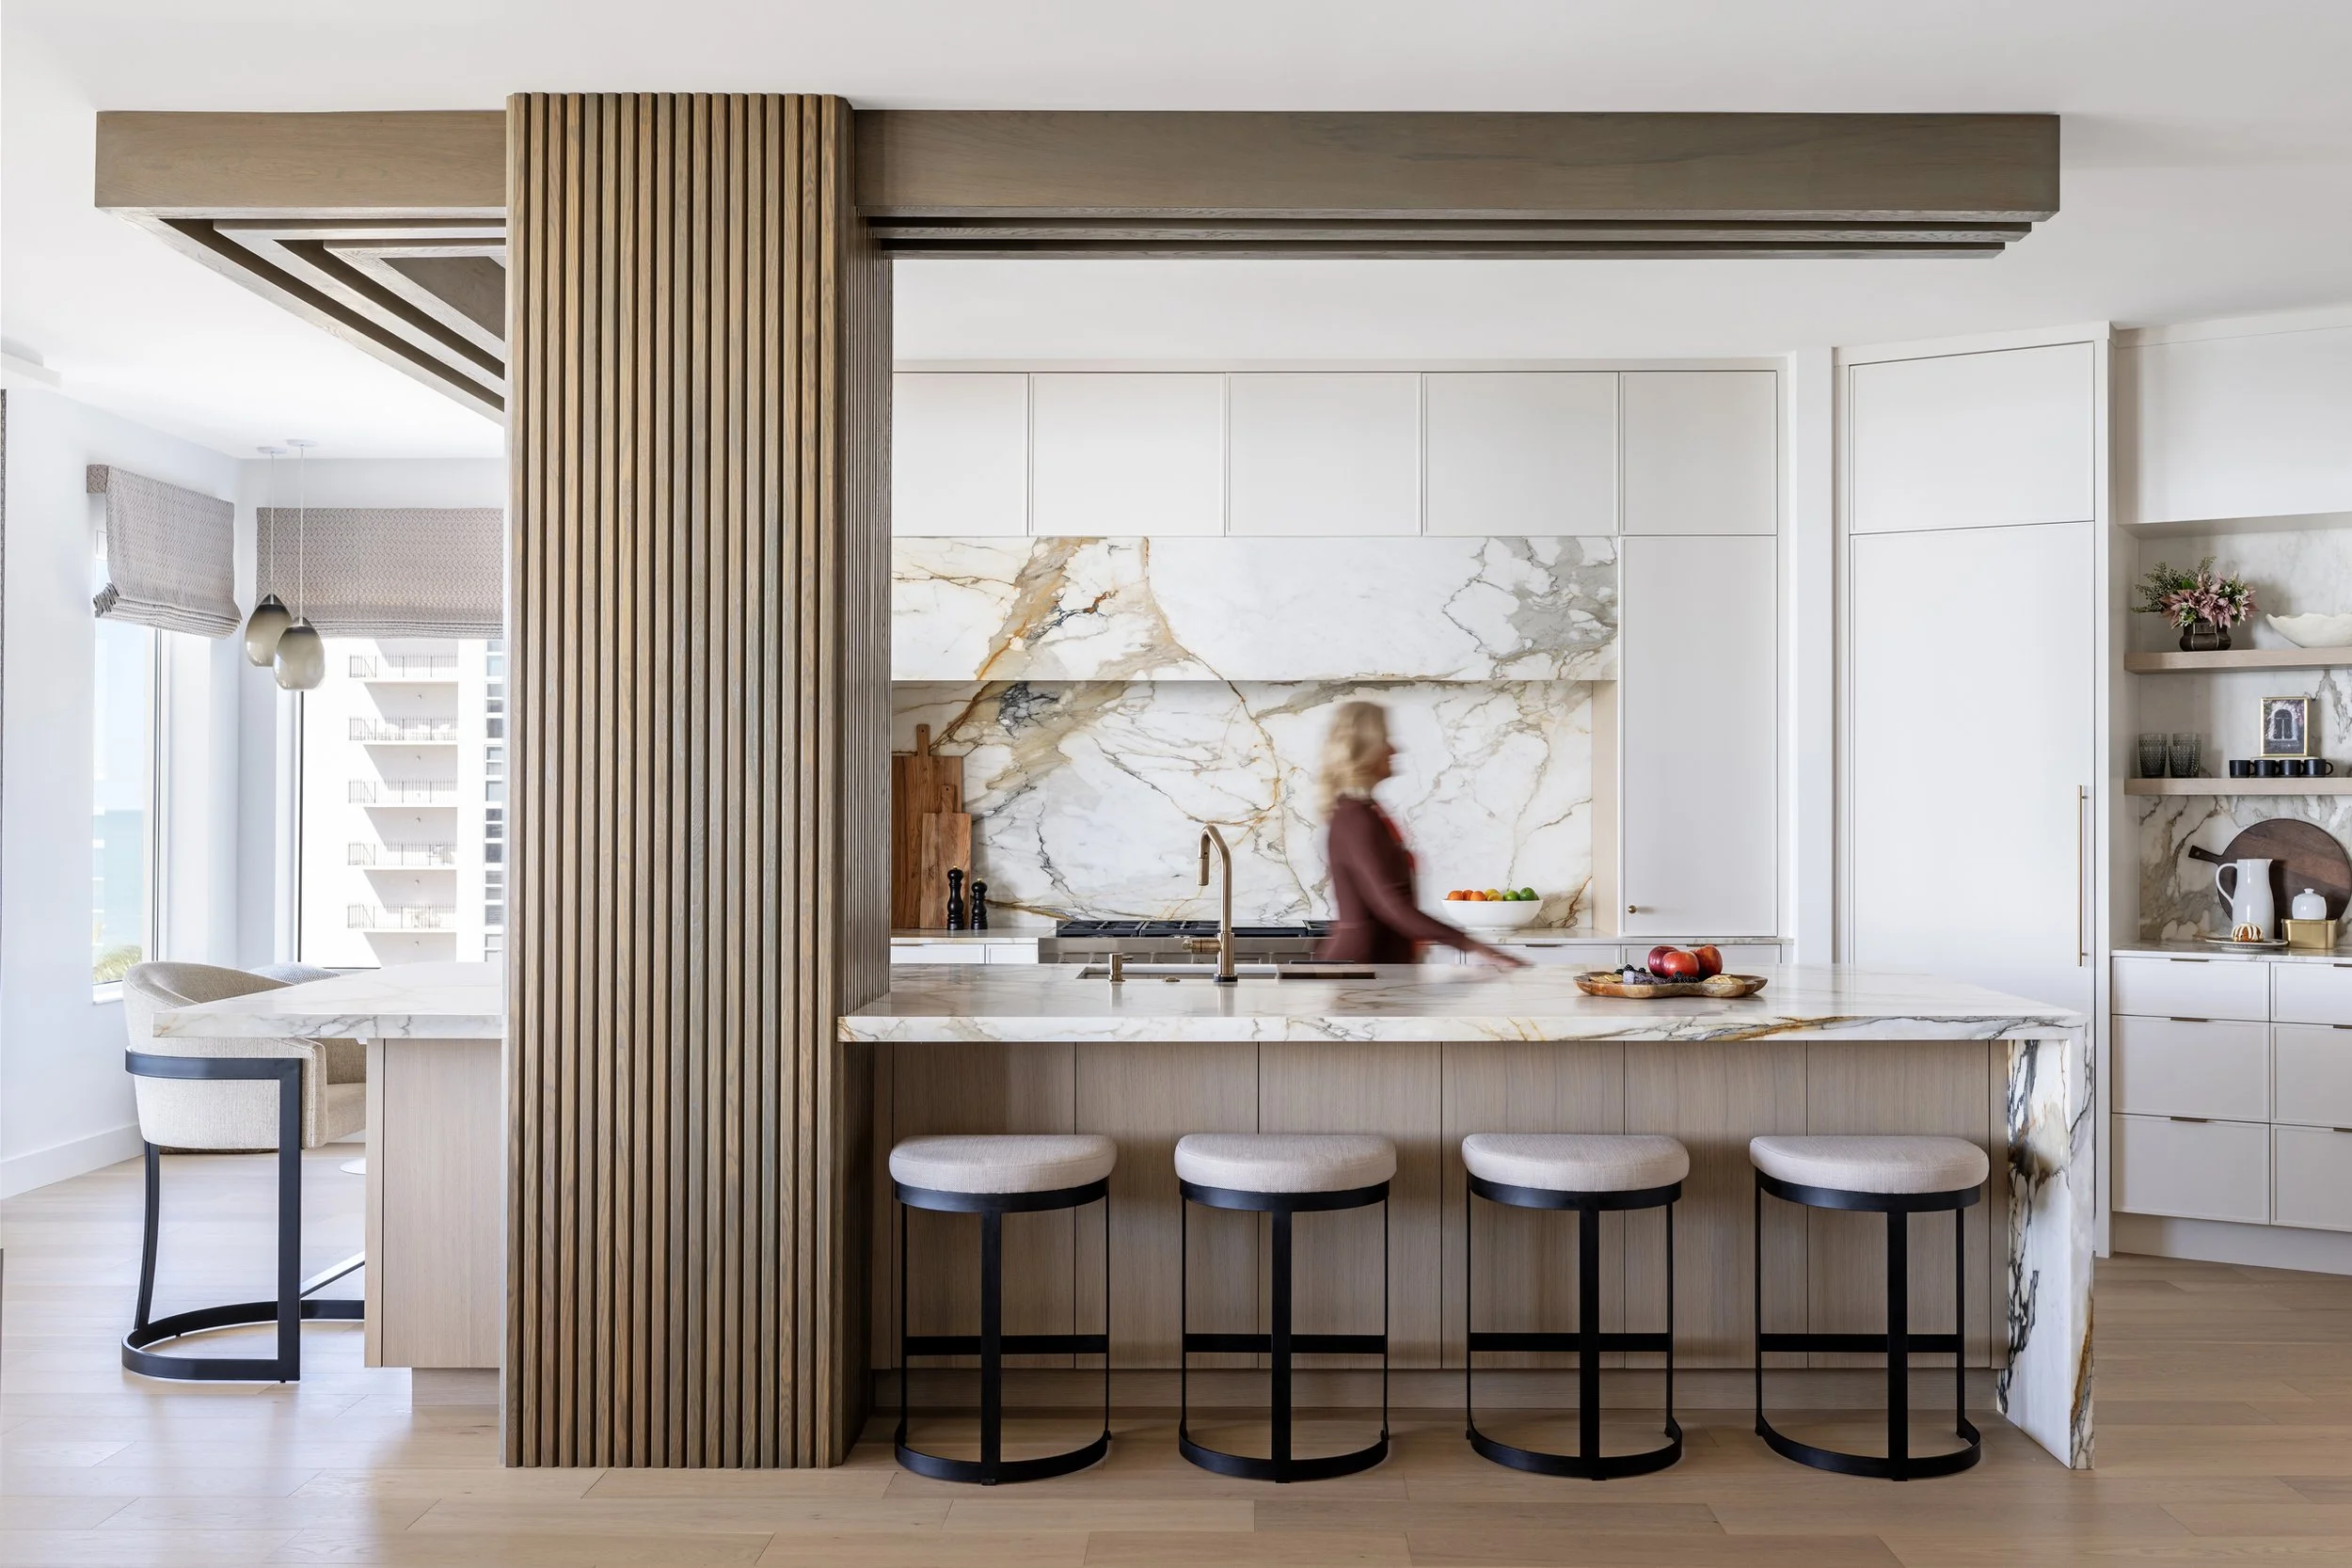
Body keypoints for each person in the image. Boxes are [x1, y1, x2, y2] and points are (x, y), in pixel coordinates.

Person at [1313, 701, 1526, 968]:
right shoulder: (1357, 818)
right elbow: (1393, 905)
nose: (1394, 749)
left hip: (1376, 969)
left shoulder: (1360, 813)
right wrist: (1474, 946)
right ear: (1364, 751)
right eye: (1384, 740)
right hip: (1361, 973)